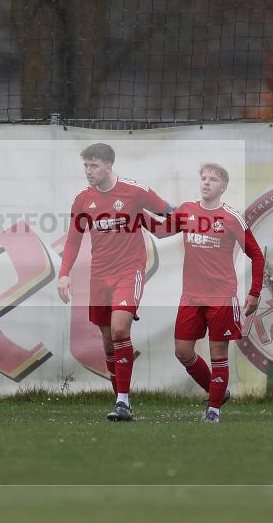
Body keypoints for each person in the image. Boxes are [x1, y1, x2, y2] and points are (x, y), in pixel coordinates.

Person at [57, 143, 172, 422]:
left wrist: (196, 217)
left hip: (128, 271)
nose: (88, 171)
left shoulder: (134, 192)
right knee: (108, 342)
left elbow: (167, 211)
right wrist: (64, 274)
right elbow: (73, 240)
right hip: (99, 276)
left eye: (93, 165)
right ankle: (122, 402)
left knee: (120, 329)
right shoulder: (83, 199)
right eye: (85, 166)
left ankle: (122, 401)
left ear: (109, 165)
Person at [149, 163, 264, 423]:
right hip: (191, 297)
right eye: (203, 178)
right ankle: (217, 392)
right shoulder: (187, 211)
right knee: (183, 351)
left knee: (218, 353)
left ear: (223, 186)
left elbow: (256, 255)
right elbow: (159, 231)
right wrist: (138, 214)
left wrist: (254, 292)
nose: (206, 182)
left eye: (213, 179)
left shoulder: (232, 218)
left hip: (222, 298)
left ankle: (213, 410)